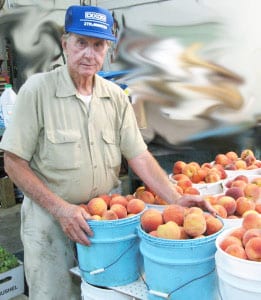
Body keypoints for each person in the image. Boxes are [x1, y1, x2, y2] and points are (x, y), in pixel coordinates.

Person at [0, 5, 215, 300]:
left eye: (98, 45)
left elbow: (138, 155)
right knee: (56, 295)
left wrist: (175, 199)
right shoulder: (37, 91)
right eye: (81, 43)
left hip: (107, 227)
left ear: (107, 50)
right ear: (65, 44)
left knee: (104, 293)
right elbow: (13, 162)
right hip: (50, 224)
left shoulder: (114, 96)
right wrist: (60, 209)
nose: (89, 54)